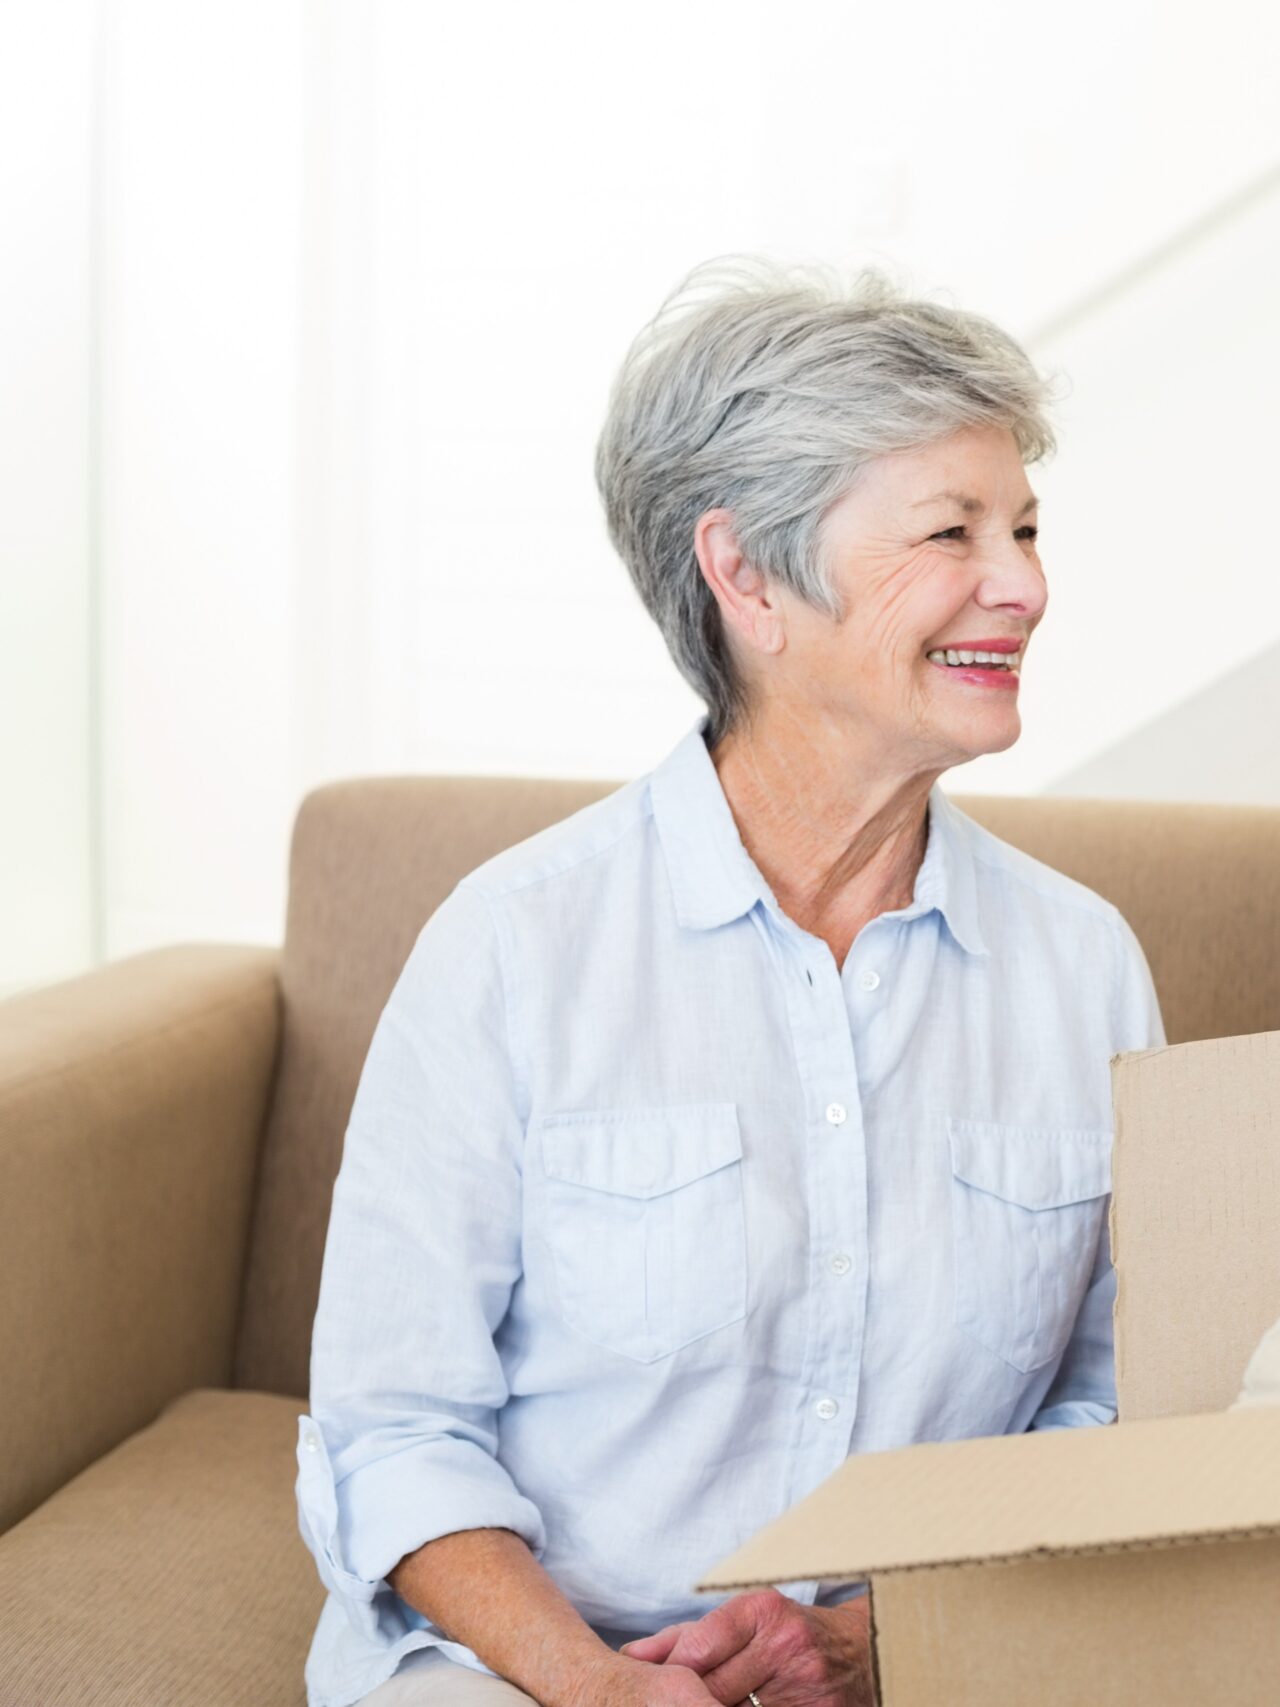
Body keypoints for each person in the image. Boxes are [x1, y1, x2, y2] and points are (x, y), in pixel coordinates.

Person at [295, 262, 1161, 1707]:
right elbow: (394, 1430)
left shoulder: (1084, 968)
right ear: (746, 574)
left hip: (920, 1667)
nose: (1023, 583)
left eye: (1020, 527)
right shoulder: (516, 945)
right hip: (525, 1669)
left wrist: (876, 1639)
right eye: (951, 532)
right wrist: (596, 1682)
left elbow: (1115, 1404)